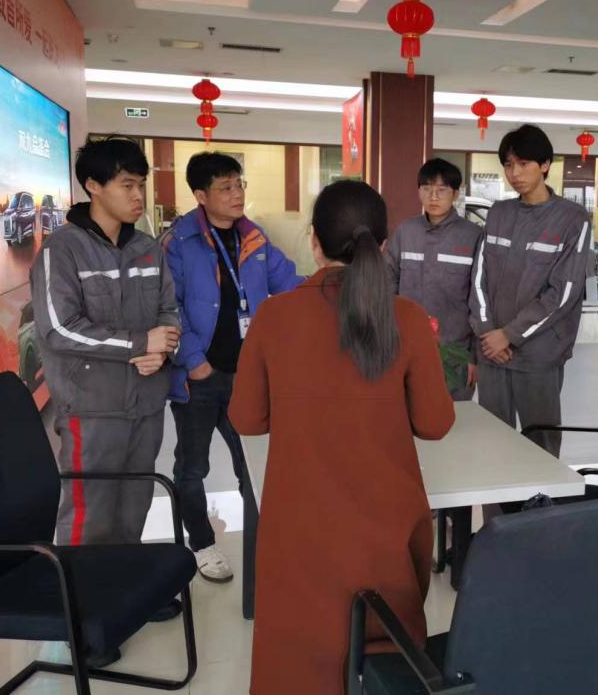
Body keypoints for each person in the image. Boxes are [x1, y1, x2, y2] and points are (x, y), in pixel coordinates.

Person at [229, 180, 454, 695]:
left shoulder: (275, 316)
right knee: (385, 655)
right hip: (386, 527)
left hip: (300, 526)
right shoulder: (406, 318)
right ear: (384, 244)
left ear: (314, 241)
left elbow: (247, 420)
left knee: (299, 657)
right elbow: (435, 424)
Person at [30, 136, 182, 663]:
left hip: (145, 403)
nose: (138, 196)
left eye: (141, 185)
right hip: (91, 408)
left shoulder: (148, 248)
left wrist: (162, 348)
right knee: (88, 516)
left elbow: (169, 310)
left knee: (133, 504)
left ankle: (123, 595)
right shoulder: (62, 250)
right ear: (93, 186)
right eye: (127, 185)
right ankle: (81, 622)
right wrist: (139, 344)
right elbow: (59, 329)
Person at [164, 151, 302, 583]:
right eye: (225, 187)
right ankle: (202, 544)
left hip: (248, 376)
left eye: (239, 184)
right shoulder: (178, 242)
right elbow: (167, 306)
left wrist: (334, 284)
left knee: (254, 464)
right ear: (201, 195)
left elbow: (290, 284)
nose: (237, 193)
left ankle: (267, 539)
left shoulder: (253, 237)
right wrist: (193, 360)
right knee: (192, 467)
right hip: (199, 378)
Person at [469, 124, 592, 457]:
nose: (515, 173)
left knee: (541, 448)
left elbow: (563, 292)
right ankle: (498, 497)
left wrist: (509, 335)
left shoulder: (572, 219)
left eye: (523, 164)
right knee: (492, 445)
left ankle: (541, 496)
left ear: (545, 164)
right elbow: (478, 278)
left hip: (538, 356)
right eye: (509, 165)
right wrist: (488, 333)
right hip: (493, 353)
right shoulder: (499, 213)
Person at [386, 157, 484, 400]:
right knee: (408, 410)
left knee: (454, 414)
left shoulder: (473, 236)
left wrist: (474, 357)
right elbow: (388, 283)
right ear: (418, 191)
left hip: (455, 352)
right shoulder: (405, 232)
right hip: (407, 347)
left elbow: (480, 299)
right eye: (427, 189)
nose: (433, 197)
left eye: (441, 190)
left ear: (456, 194)